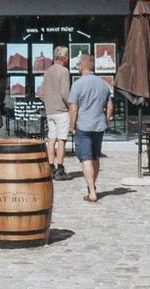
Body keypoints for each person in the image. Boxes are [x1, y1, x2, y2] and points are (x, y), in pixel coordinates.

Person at [68, 53, 115, 202]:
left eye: (78, 64)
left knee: (86, 158)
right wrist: (106, 121)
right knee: (95, 157)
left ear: (82, 66)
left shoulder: (78, 84)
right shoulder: (104, 84)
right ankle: (92, 185)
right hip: (99, 125)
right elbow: (110, 106)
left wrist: (71, 125)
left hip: (83, 125)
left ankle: (92, 192)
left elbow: (73, 108)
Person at [39, 45, 73, 179]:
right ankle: (60, 168)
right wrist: (71, 106)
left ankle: (50, 166)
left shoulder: (48, 71)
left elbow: (40, 92)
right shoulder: (64, 71)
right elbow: (65, 93)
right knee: (62, 140)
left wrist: (48, 101)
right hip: (61, 110)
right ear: (64, 58)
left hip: (50, 110)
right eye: (67, 56)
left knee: (51, 139)